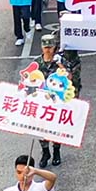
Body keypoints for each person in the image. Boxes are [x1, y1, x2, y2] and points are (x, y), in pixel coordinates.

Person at [36, 34, 66, 167]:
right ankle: (45, 152)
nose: (47, 50)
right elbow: (30, 80)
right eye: (45, 47)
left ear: (54, 48)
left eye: (50, 47)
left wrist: (60, 65)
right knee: (41, 127)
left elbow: (68, 78)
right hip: (41, 99)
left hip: (56, 100)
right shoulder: (37, 63)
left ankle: (56, 151)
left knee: (56, 127)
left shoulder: (59, 62)